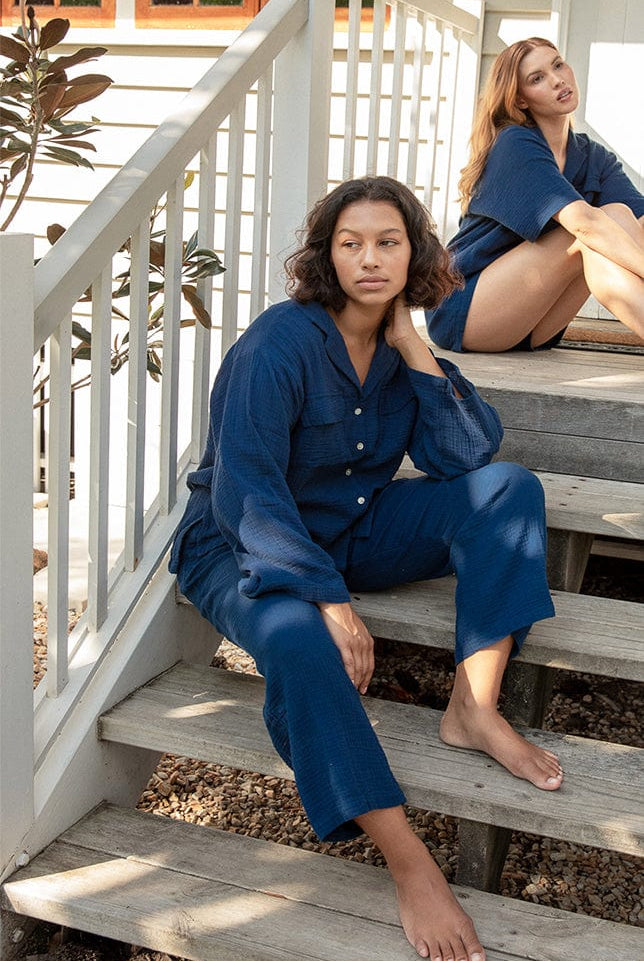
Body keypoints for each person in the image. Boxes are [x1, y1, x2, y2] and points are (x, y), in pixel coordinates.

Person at [170, 175, 562, 961]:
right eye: (352, 244)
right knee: (297, 638)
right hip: (241, 541)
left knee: (509, 488)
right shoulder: (278, 343)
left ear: (413, 253)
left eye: (389, 242)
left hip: (354, 526)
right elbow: (248, 493)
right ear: (329, 256)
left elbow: (466, 454)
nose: (371, 259)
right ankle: (410, 862)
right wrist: (328, 598)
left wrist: (414, 346)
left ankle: (474, 706)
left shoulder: (397, 346)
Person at [425, 37, 644, 353]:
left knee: (618, 215)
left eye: (558, 65)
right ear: (521, 100)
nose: (557, 80)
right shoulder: (515, 143)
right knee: (585, 234)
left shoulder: (592, 156)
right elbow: (584, 224)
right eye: (537, 78)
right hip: (464, 309)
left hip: (534, 325)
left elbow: (637, 224)